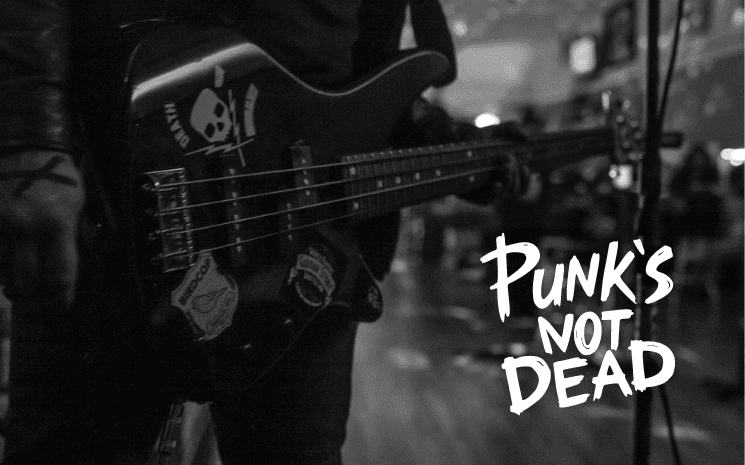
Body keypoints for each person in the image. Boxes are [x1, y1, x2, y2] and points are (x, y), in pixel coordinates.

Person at [0, 1, 527, 463]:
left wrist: (451, 144)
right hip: (116, 179)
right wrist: (30, 142)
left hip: (307, 246)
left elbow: (369, 73)